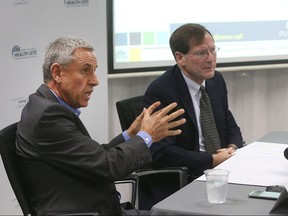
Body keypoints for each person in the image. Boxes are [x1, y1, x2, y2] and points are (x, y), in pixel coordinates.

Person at [15, 36, 186, 216]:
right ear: (57, 73)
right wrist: (146, 136)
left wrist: (130, 134)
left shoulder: (45, 107)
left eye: (94, 71)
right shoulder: (48, 117)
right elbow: (107, 167)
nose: (95, 80)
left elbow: (94, 158)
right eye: (85, 71)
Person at [141, 23, 244, 209]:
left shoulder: (216, 80)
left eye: (213, 50)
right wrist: (212, 160)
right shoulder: (162, 91)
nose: (211, 59)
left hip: (219, 174)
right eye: (202, 53)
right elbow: (162, 153)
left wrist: (232, 147)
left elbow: (228, 122)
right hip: (184, 178)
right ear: (180, 58)